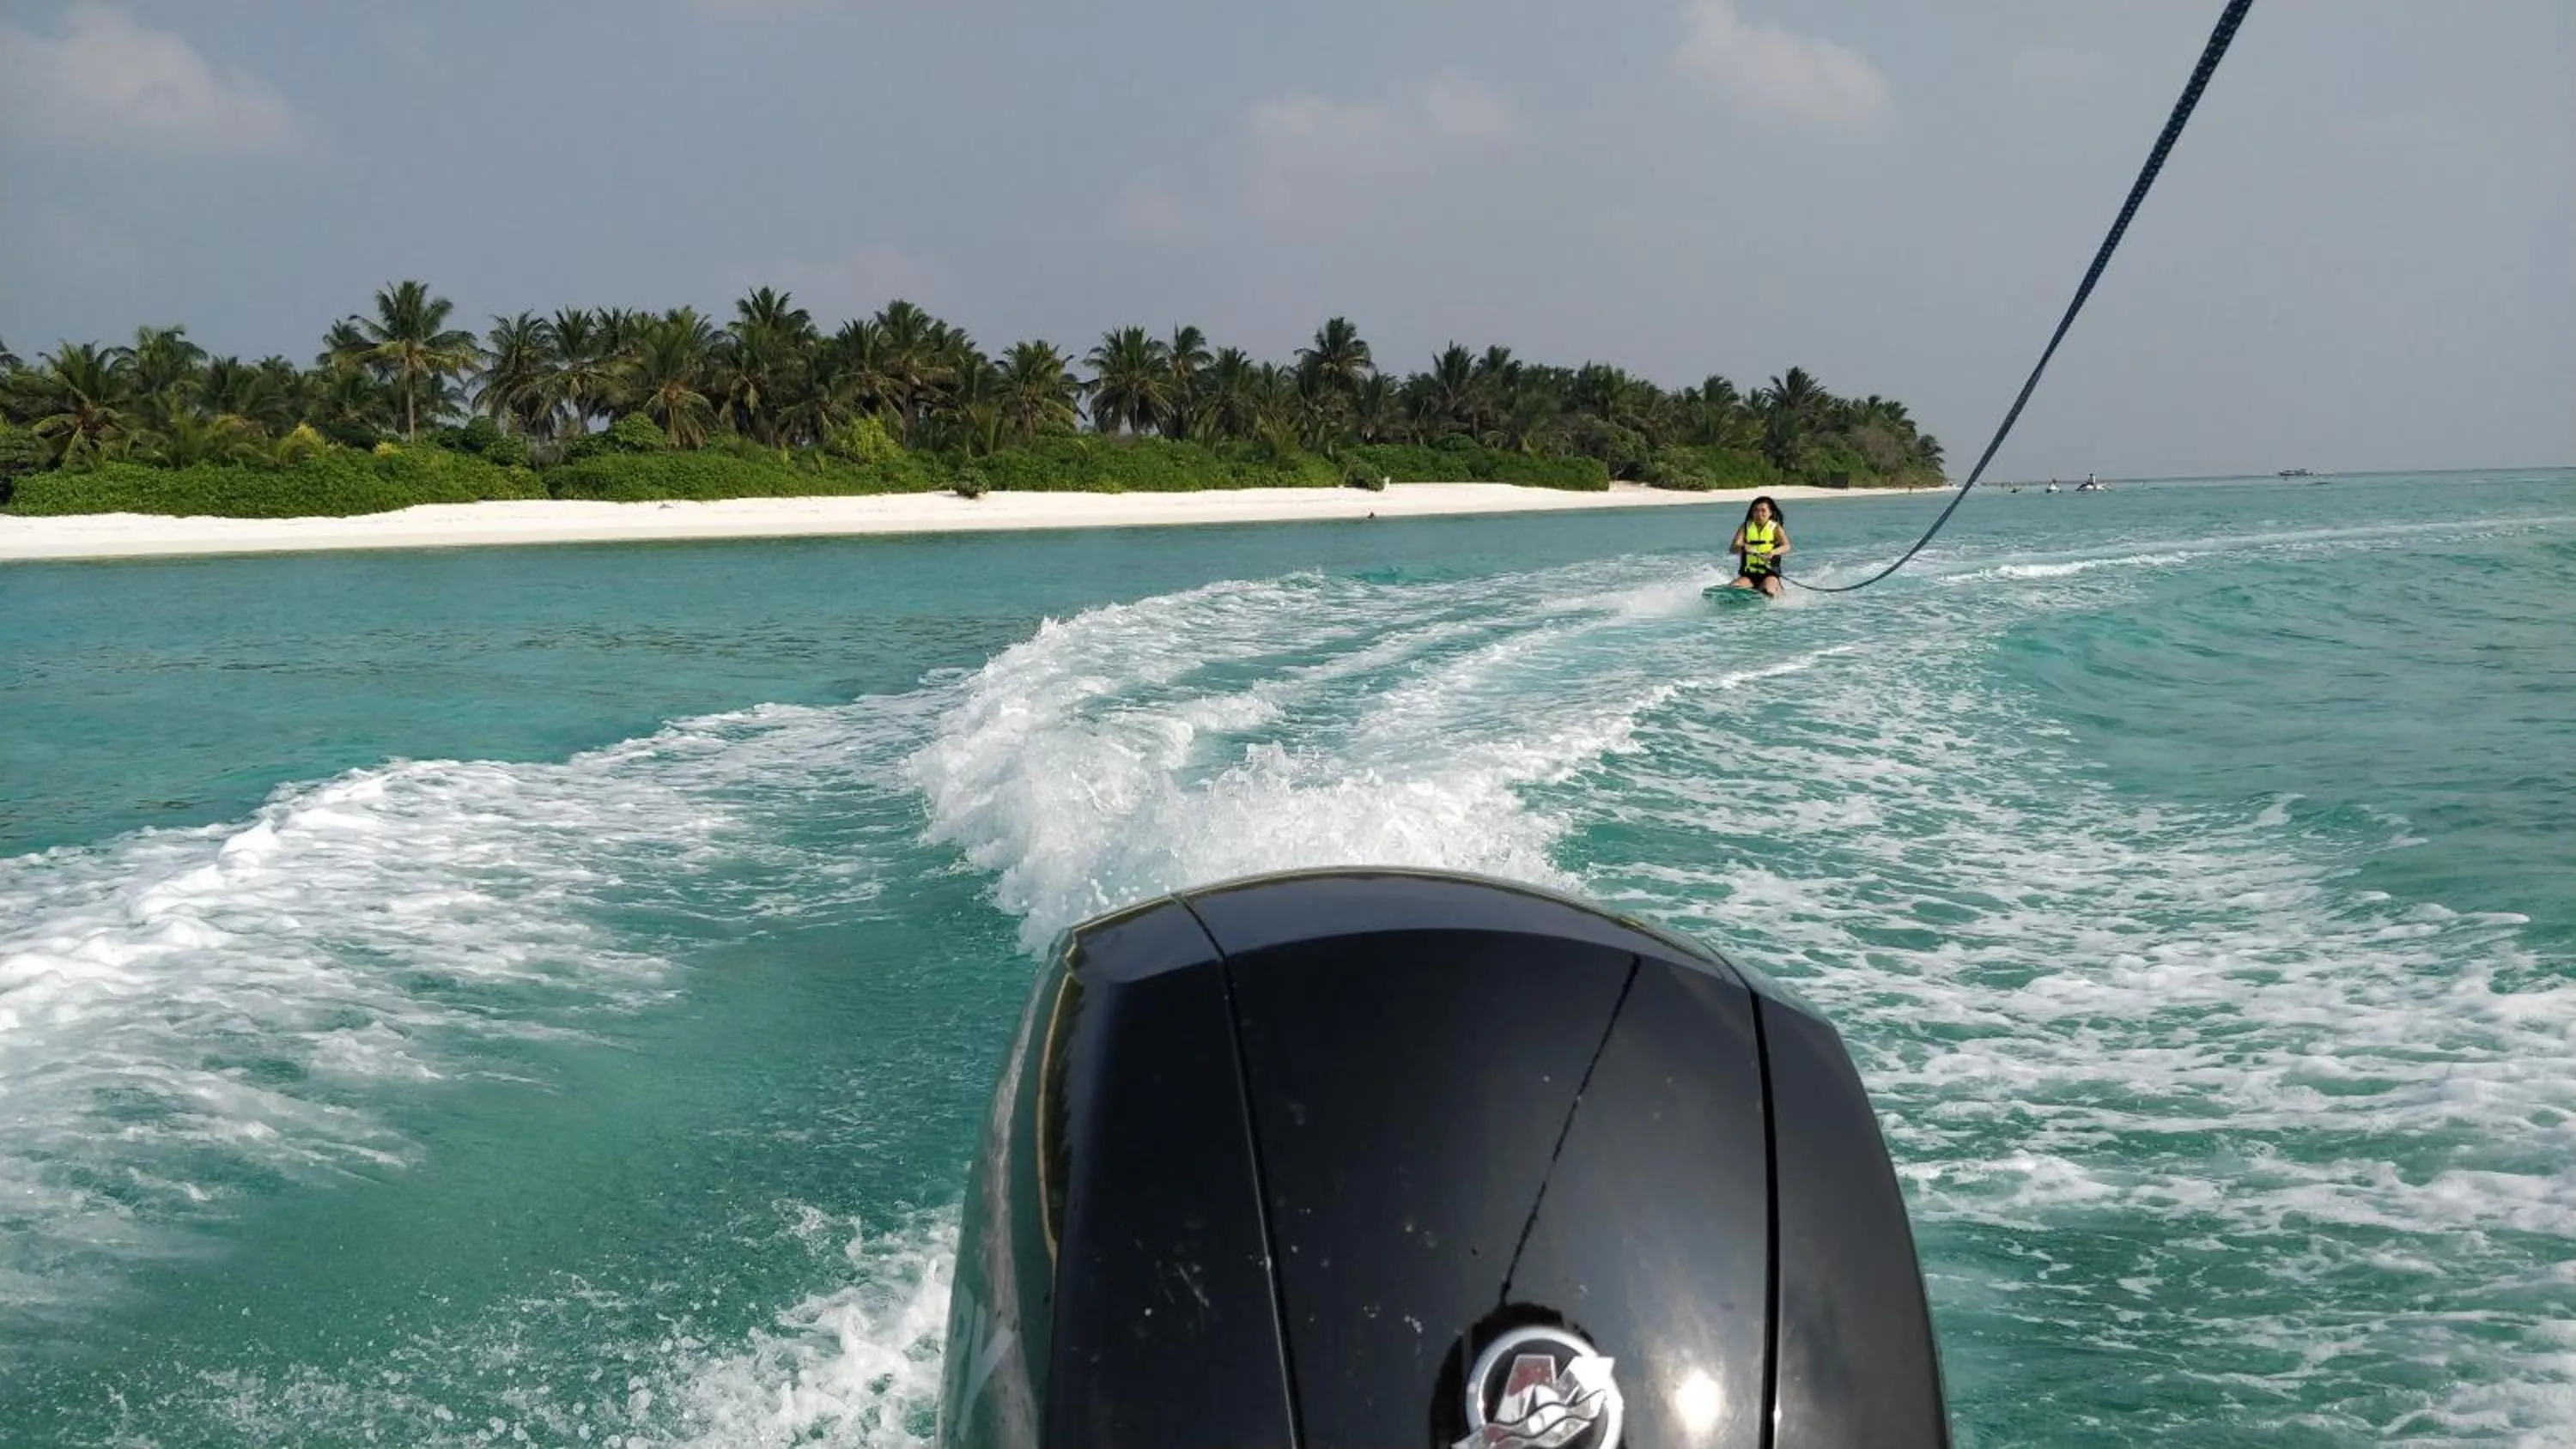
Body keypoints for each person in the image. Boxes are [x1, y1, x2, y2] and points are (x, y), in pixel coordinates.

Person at [1727, 495, 1790, 597]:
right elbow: (1733, 548)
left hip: (1770, 574)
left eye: (1763, 511)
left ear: (1770, 513)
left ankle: (1772, 591)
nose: (1759, 514)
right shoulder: (1745, 527)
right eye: (1756, 510)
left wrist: (1772, 552)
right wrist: (1743, 547)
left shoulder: (1775, 528)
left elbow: (1786, 546)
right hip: (1749, 575)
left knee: (1768, 591)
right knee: (1733, 588)